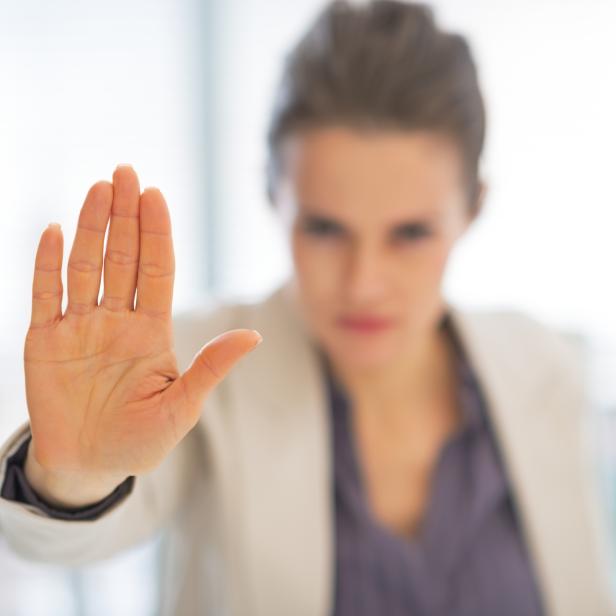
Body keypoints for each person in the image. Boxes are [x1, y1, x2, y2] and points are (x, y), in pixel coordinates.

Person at [0, 1, 613, 615]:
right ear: (273, 193)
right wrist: (71, 479)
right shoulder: (191, 372)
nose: (364, 282)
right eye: (324, 228)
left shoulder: (545, 363)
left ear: (473, 208)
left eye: (411, 234)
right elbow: (55, 541)